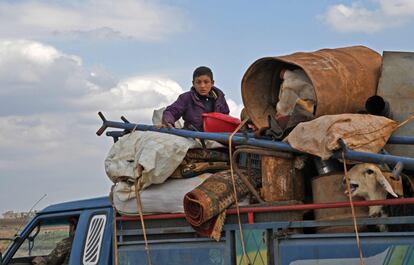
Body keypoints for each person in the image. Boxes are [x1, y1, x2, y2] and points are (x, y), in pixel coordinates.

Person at [162, 66, 230, 131]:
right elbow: (171, 111)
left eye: (206, 82)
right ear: (193, 83)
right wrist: (168, 122)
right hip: (192, 136)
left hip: (215, 136)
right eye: (198, 82)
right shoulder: (186, 98)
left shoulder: (219, 99)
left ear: (212, 83)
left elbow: (226, 117)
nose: (202, 86)